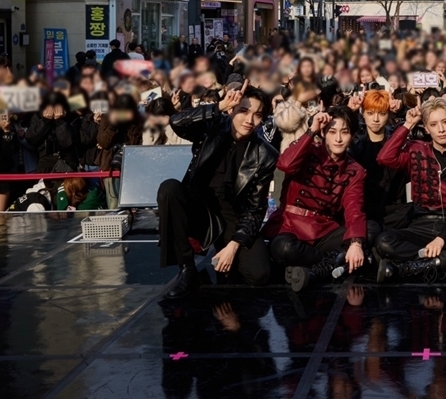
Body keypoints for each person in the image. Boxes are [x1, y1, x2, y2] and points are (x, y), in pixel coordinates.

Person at [157, 82, 277, 298]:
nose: (249, 120)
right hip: (200, 207)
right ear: (232, 109)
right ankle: (187, 268)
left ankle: (221, 248)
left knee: (259, 275)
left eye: (257, 115)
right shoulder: (213, 126)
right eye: (243, 110)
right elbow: (176, 122)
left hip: (234, 215)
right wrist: (218, 106)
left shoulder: (266, 154)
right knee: (170, 188)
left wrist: (233, 247)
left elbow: (255, 209)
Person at [374, 97, 446, 281]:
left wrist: (442, 238)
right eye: (434, 124)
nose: (441, 129)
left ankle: (412, 267)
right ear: (427, 128)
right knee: (383, 241)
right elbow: (384, 158)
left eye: (445, 122)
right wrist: (409, 124)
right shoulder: (417, 150)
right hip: (420, 224)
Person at [264, 106, 367, 291]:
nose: (338, 138)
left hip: (324, 229)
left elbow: (354, 208)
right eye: (332, 131)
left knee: (369, 232)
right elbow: (285, 165)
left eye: (344, 132)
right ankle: (333, 264)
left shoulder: (355, 170)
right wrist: (311, 130)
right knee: (285, 248)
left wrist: (356, 243)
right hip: (290, 225)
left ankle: (314, 269)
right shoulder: (308, 150)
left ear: (352, 136)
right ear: (323, 133)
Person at [349, 89, 407, 241]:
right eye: (370, 113)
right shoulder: (356, 144)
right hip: (364, 208)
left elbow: (410, 126)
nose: (375, 119)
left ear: (388, 115)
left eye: (381, 114)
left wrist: (401, 111)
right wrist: (350, 112)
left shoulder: (396, 141)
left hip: (394, 209)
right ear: (363, 114)